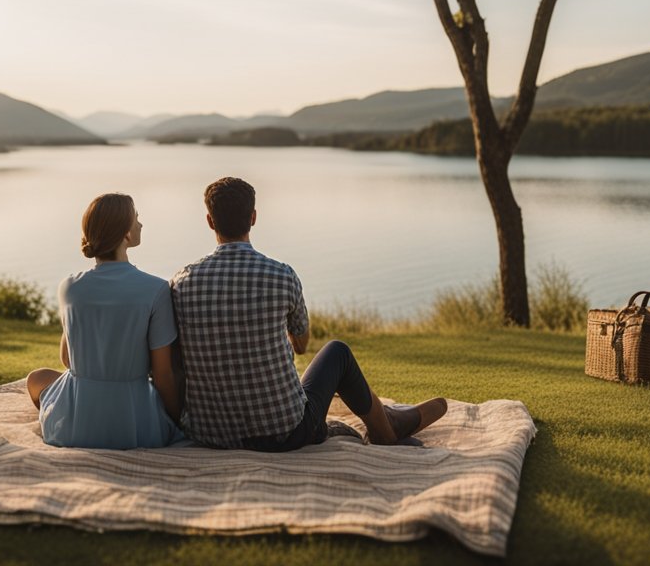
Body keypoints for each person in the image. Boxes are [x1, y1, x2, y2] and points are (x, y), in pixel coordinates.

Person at [170, 176, 447, 451]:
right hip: (284, 433)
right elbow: (301, 345)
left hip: (209, 435)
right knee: (337, 352)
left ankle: (388, 419)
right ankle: (386, 428)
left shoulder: (182, 282)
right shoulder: (281, 275)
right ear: (253, 217)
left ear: (210, 221)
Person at [26, 193, 183, 449]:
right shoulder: (156, 289)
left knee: (37, 378)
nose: (141, 224)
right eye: (137, 219)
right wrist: (177, 420)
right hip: (136, 422)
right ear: (126, 235)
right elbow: (163, 373)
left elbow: (67, 359)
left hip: (76, 424)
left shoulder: (69, 287)